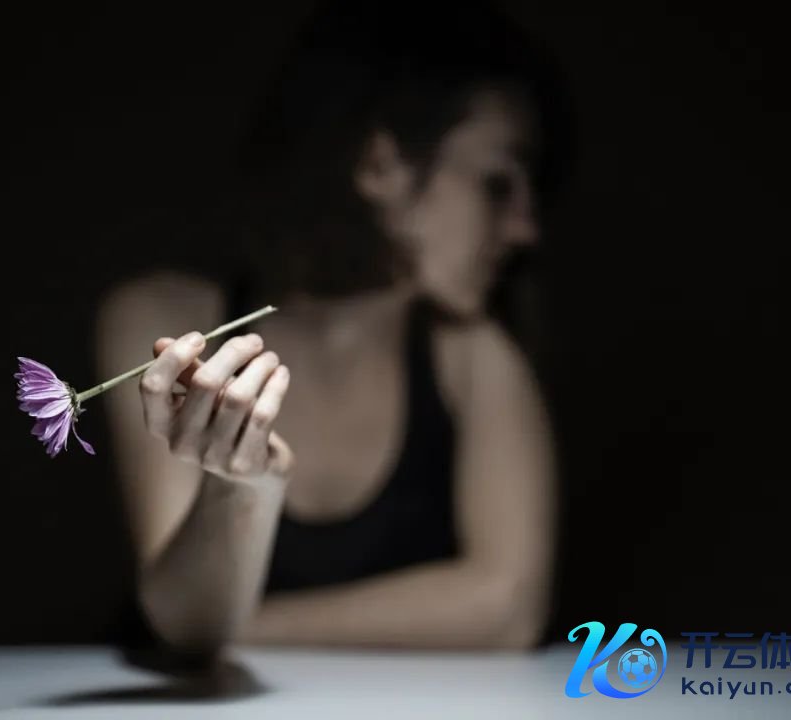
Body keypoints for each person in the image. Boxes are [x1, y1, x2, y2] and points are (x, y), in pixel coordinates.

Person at [94, 0, 570, 657]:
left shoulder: (474, 355)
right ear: (379, 165)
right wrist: (241, 487)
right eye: (497, 183)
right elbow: (184, 614)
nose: (526, 229)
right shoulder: (164, 321)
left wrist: (240, 629)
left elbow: (508, 607)